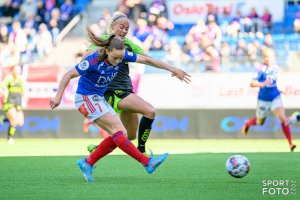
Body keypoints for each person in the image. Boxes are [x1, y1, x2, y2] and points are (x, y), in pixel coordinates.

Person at [50, 29, 191, 182]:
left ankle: (87, 162)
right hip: (85, 98)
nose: (118, 61)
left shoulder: (123, 55)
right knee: (118, 132)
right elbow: (68, 75)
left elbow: (148, 60)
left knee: (121, 134)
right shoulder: (93, 61)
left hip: (97, 98)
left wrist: (173, 69)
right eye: (115, 58)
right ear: (107, 51)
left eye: (120, 58)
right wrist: (58, 96)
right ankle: (147, 162)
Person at [86, 12, 170, 154]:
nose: (124, 31)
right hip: (112, 92)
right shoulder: (104, 40)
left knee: (128, 135)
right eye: (121, 27)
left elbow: (148, 59)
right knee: (150, 111)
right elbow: (86, 59)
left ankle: (97, 150)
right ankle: (142, 151)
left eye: (127, 28)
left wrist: (172, 69)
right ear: (112, 26)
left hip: (126, 90)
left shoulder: (128, 44)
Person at [241, 53, 296, 152]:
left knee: (283, 120)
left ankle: (291, 143)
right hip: (263, 100)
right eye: (266, 57)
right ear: (263, 59)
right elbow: (252, 83)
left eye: (269, 57)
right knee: (260, 122)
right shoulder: (260, 69)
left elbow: (272, 84)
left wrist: (279, 90)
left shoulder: (275, 68)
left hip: (275, 97)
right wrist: (263, 84)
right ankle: (247, 124)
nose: (268, 59)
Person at [0, 65, 25, 144]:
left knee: (20, 122)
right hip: (9, 101)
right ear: (12, 70)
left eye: (19, 69)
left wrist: (23, 94)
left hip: (18, 102)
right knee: (13, 121)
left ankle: (3, 119)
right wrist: (3, 92)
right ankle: (9, 137)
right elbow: (1, 87)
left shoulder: (21, 79)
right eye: (16, 70)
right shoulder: (8, 78)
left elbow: (23, 90)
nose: (18, 71)